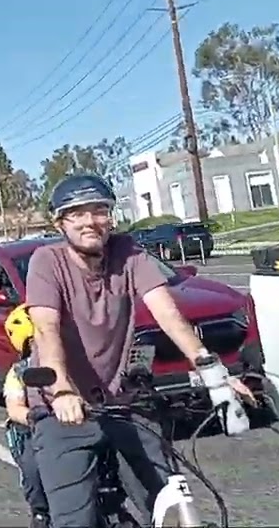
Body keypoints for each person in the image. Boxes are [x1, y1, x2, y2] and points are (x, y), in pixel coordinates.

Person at [25, 174, 255, 528]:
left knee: (171, 501)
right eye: (76, 214)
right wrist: (62, 391)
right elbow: (46, 330)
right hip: (63, 407)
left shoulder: (129, 253)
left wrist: (215, 374)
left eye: (99, 210)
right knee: (75, 520)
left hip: (120, 402)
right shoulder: (46, 261)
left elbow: (169, 315)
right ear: (60, 223)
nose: (90, 222)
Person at [1, 304, 49, 528]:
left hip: (79, 422)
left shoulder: (71, 357)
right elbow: (14, 407)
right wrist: (32, 414)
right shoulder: (19, 372)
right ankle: (41, 514)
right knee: (34, 469)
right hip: (37, 429)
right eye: (37, 339)